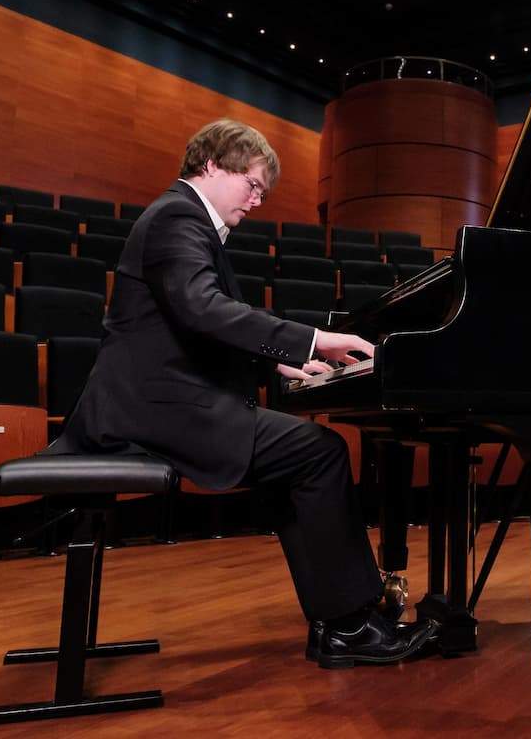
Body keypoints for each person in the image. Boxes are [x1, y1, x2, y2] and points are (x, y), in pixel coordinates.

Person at [49, 118, 434, 668]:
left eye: (263, 192)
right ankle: (347, 625)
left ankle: (341, 619)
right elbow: (204, 310)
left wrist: (276, 369)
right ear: (210, 165)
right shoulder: (178, 216)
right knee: (320, 453)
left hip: (159, 401)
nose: (257, 201)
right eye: (252, 185)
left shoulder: (181, 221)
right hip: (155, 410)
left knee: (295, 466)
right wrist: (312, 341)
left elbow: (192, 329)